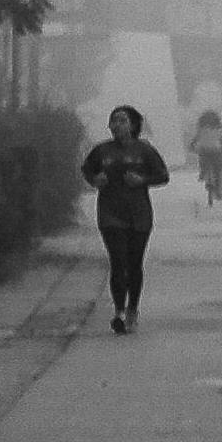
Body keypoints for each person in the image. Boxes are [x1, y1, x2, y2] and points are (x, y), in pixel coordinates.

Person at [82, 105, 173, 331]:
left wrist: (141, 180)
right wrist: (96, 180)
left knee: (134, 264)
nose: (117, 125)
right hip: (110, 214)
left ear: (133, 125)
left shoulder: (144, 151)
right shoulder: (102, 151)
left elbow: (163, 175)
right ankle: (119, 311)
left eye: (122, 120)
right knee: (117, 261)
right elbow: (87, 170)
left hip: (139, 215)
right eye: (113, 120)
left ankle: (133, 308)